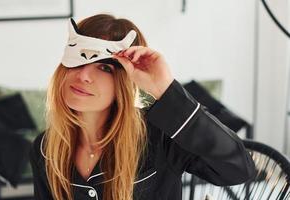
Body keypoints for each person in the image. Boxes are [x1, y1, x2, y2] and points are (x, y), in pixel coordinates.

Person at [29, 14, 256, 200]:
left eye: (105, 68)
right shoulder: (46, 149)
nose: (84, 75)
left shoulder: (160, 137)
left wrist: (166, 89)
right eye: (79, 60)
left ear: (124, 83)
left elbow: (238, 169)